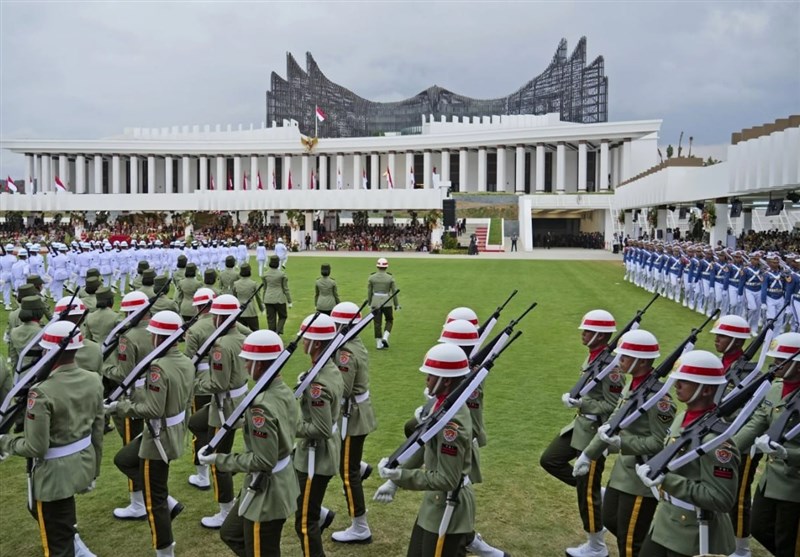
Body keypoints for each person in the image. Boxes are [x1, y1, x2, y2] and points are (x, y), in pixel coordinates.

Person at [0, 320, 104, 557]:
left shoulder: (41, 391)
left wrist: (6, 442)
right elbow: (97, 430)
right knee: (62, 519)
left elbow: (36, 446)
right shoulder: (93, 379)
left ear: (47, 350)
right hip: (82, 463)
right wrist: (94, 468)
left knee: (56, 545)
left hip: (53, 477)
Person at [574, 329, 675, 557]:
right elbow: (612, 421)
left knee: (630, 543)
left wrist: (622, 442)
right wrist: (588, 454)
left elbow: (660, 443)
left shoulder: (659, 399)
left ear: (641, 361)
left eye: (626, 357)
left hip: (640, 477)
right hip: (622, 473)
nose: (619, 361)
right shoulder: (634, 385)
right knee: (611, 520)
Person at [106, 310, 192, 557]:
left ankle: (165, 550)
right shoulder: (185, 361)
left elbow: (153, 409)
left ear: (159, 338)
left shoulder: (158, 368)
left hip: (158, 438)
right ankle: (171, 501)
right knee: (124, 459)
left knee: (155, 502)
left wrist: (120, 407)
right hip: (169, 430)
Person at [636, 350, 739, 557]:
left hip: (695, 532)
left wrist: (667, 480)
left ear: (707, 390)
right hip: (666, 519)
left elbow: (721, 499)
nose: (677, 385)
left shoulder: (717, 442)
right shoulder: (682, 417)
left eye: (685, 381)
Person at [376, 343, 475, 556]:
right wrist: (394, 481)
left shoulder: (452, 424)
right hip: (435, 503)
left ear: (446, 380)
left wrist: (402, 476)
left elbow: (447, 479)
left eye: (431, 375)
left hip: (449, 504)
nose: (426, 379)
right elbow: (425, 445)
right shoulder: (441, 405)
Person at [540, 309, 624, 557]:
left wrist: (582, 404)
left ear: (601, 335)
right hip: (579, 425)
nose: (583, 334)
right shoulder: (595, 356)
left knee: (585, 493)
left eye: (588, 331)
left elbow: (614, 404)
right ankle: (598, 492)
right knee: (550, 460)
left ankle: (597, 545)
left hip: (594, 431)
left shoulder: (612, 366)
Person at [210, 330, 300, 557]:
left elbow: (263, 460)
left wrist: (219, 459)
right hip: (270, 483)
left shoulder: (261, 406)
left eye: (249, 360)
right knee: (231, 533)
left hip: (267, 491)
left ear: (261, 365)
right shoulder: (281, 389)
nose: (246, 364)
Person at [732, 332, 800, 557]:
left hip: (795, 484)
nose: (775, 364)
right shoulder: (775, 388)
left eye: (781, 361)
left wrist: (786, 453)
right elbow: (755, 424)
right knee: (759, 528)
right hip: (771, 480)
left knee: (787, 541)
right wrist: (727, 447)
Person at [188, 294, 248, 529]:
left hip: (225, 407)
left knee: (218, 458)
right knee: (195, 422)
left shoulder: (221, 345)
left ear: (221, 317)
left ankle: (225, 508)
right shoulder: (240, 336)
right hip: (233, 400)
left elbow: (218, 384)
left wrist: (194, 383)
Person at [325, 302, 377, 545]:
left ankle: (360, 526)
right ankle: (362, 465)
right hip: (354, 413)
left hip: (351, 416)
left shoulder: (345, 351)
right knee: (347, 462)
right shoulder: (349, 345)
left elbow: (342, 389)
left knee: (347, 473)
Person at [294, 313, 344, 557]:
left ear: (316, 344)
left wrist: (291, 426)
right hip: (316, 452)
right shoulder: (329, 368)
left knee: (304, 524)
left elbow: (321, 429)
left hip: (316, 455)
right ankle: (321, 512)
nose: (303, 343)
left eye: (307, 339)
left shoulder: (318, 385)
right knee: (300, 500)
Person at [102, 290, 151, 519]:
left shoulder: (127, 337)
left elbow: (124, 373)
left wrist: (104, 367)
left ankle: (138, 501)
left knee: (131, 447)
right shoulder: (156, 330)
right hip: (154, 393)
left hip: (133, 395)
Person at [368, 257, 399, 350]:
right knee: (389, 320)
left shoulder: (372, 277)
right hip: (387, 302)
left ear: (377, 266)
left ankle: (378, 343)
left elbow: (369, 292)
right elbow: (394, 292)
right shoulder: (390, 278)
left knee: (377, 323)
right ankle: (385, 336)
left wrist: (370, 303)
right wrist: (396, 304)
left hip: (375, 302)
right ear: (386, 267)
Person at [262, 256, 291, 335]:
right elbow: (285, 289)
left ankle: (272, 334)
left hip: (268, 298)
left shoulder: (265, 274)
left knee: (271, 319)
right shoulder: (282, 274)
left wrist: (263, 300)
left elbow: (264, 289)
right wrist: (289, 301)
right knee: (283, 316)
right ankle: (278, 331)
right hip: (279, 298)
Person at [232, 263, 262, 332]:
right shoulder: (253, 283)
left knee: (241, 332)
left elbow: (234, 297)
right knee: (255, 332)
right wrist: (262, 308)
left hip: (240, 311)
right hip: (251, 312)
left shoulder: (236, 284)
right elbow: (258, 298)